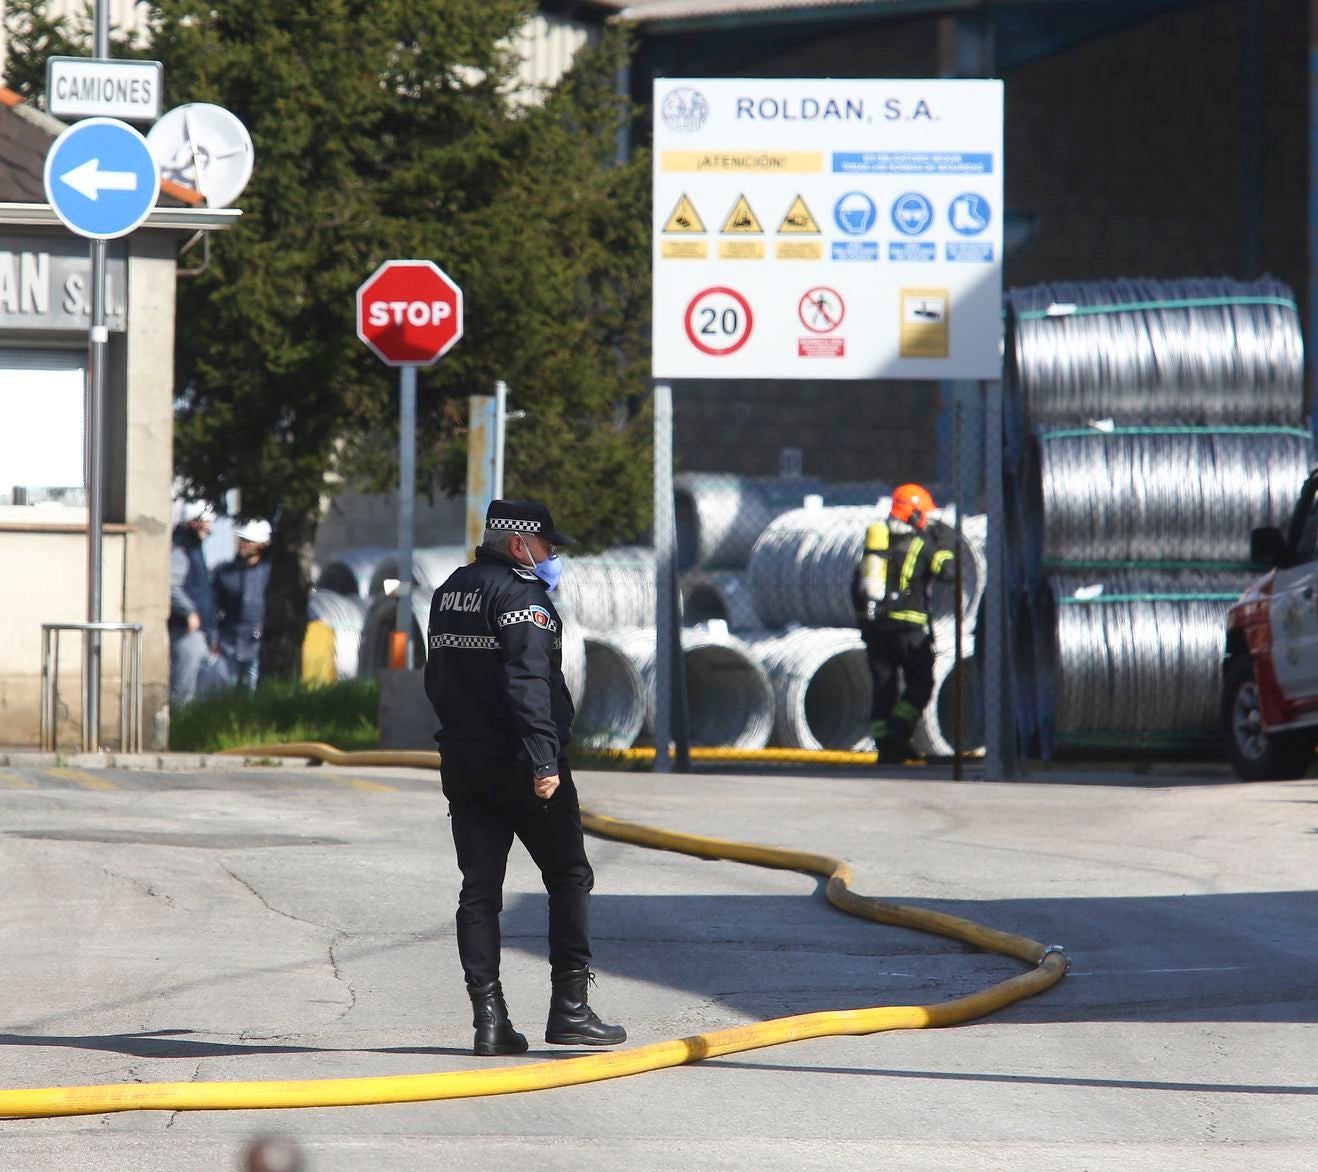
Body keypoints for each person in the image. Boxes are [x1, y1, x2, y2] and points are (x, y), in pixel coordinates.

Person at [424, 498, 626, 1057]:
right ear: (519, 545)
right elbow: (529, 682)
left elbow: (436, 681)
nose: (552, 555)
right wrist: (543, 760)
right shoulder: (522, 597)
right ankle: (571, 1011)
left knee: (480, 891)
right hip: (522, 763)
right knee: (568, 876)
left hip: (464, 761)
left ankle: (489, 1021)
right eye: (546, 546)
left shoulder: (449, 592)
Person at [851, 483, 955, 763]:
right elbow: (948, 572)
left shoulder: (875, 546)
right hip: (910, 631)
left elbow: (856, 588)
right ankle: (898, 730)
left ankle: (886, 748)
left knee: (884, 687)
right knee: (921, 684)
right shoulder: (922, 544)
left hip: (876, 631)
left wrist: (866, 627)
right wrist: (944, 540)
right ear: (913, 514)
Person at [212, 519, 273, 690]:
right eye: (242, 540)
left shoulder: (271, 573)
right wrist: (214, 638)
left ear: (262, 545)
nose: (243, 544)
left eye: (249, 541)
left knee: (253, 690)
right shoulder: (225, 573)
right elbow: (213, 608)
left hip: (258, 644)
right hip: (229, 644)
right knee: (227, 690)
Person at [169, 500, 216, 707]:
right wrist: (189, 612)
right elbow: (172, 585)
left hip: (199, 632)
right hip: (186, 632)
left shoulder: (195, 548)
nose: (211, 528)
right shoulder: (181, 549)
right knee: (183, 691)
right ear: (193, 522)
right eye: (206, 522)